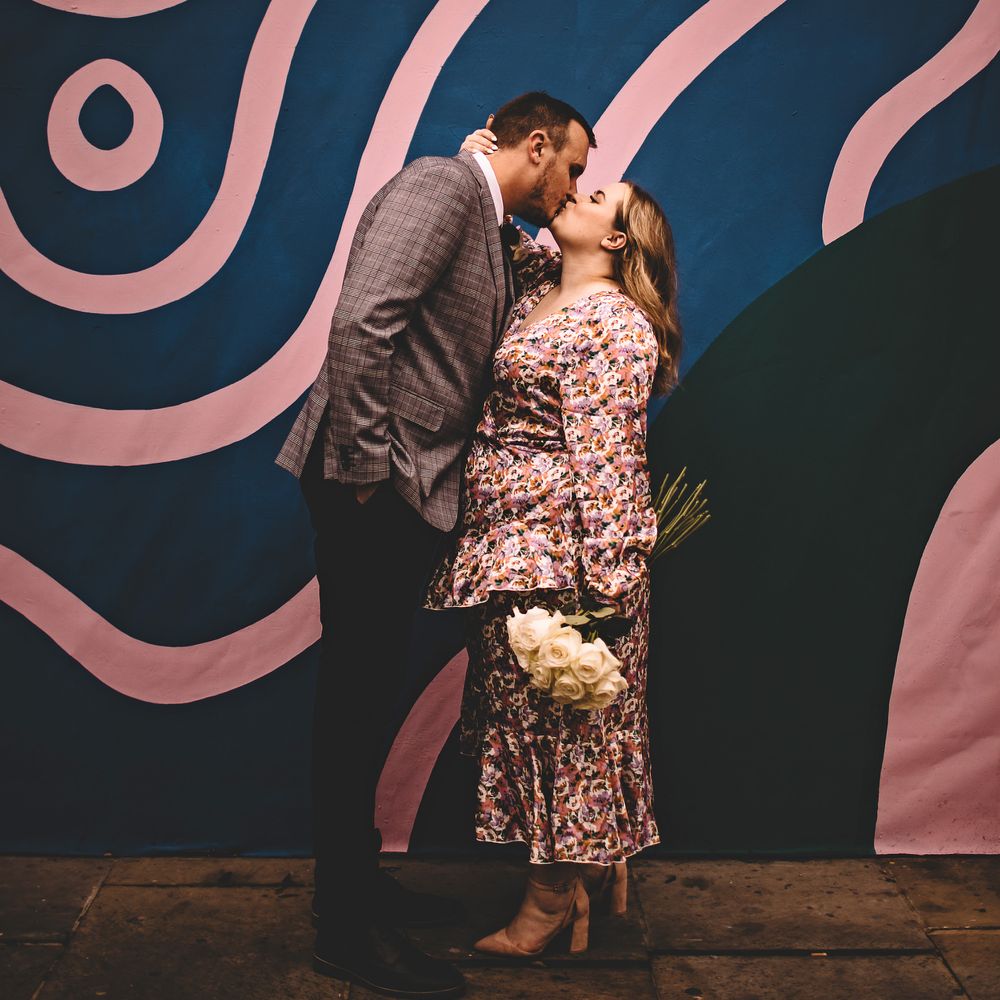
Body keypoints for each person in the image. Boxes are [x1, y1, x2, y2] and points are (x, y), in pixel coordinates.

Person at [274, 93, 595, 998]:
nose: (576, 188)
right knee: (356, 698)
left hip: (401, 486)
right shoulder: (444, 188)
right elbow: (362, 322)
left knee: (368, 692)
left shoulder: (481, 212)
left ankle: (355, 884)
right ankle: (343, 928)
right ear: (537, 145)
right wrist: (369, 474)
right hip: (375, 485)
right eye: (570, 167)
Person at [423, 123, 682, 957]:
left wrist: (601, 598)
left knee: (563, 731)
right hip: (511, 544)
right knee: (527, 721)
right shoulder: (545, 287)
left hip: (564, 559)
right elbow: (501, 224)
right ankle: (595, 874)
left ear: (616, 238)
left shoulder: (612, 324)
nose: (578, 189)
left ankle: (549, 903)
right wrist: (480, 162)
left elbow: (610, 464)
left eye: (599, 195)